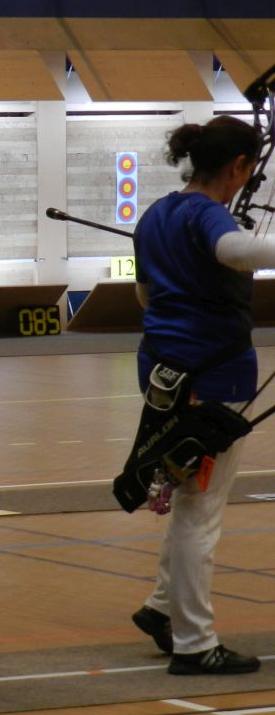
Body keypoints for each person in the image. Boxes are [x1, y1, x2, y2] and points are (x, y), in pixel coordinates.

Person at [129, 114, 265, 675]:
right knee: (200, 511)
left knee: (190, 497)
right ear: (238, 166)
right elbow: (235, 250)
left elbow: (145, 297)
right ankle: (194, 643)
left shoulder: (155, 214)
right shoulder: (207, 214)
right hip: (212, 379)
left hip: (163, 372)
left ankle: (163, 609)